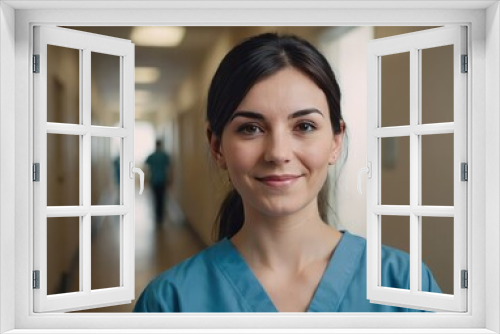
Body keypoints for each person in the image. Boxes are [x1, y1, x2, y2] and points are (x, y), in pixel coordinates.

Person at [134, 33, 441, 312]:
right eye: (251, 128)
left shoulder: (403, 285)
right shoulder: (169, 302)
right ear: (217, 147)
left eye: (304, 126)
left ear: (336, 141)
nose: (278, 153)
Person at [145, 140, 172, 224]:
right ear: (161, 145)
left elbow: (147, 167)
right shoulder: (164, 156)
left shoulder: (152, 156)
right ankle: (161, 216)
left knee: (156, 198)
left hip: (154, 180)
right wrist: (170, 179)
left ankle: (157, 216)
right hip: (162, 180)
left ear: (155, 145)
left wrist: (146, 178)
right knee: (162, 198)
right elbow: (169, 169)